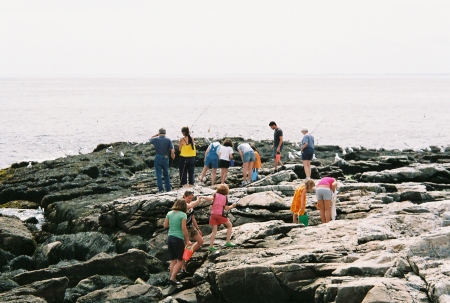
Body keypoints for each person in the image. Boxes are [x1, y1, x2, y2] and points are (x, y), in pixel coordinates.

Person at [163, 199, 192, 285]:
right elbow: (184, 228)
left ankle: (173, 278)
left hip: (170, 237)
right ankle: (172, 278)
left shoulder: (169, 213)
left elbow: (165, 225)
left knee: (173, 260)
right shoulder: (183, 215)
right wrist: (187, 240)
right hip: (178, 238)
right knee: (180, 260)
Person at [200, 184, 237, 251]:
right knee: (229, 225)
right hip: (220, 214)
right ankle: (228, 242)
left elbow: (210, 199)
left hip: (213, 214)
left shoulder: (215, 194)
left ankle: (211, 246)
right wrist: (233, 206)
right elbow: (226, 208)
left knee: (214, 231)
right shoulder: (225, 198)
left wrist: (202, 196)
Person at [180, 190, 204, 273]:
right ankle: (182, 267)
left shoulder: (191, 205)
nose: (190, 199)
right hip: (184, 227)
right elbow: (189, 206)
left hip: (191, 226)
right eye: (189, 198)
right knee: (185, 246)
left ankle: (188, 256)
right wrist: (197, 201)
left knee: (200, 241)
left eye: (191, 198)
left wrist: (197, 228)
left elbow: (192, 217)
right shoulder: (182, 203)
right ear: (184, 196)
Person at [149, 128, 175, 193]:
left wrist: (156, 135)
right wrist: (173, 155)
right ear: (165, 133)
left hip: (158, 157)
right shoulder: (168, 140)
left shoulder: (155, 139)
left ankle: (160, 189)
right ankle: (168, 189)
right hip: (165, 157)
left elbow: (150, 139)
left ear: (159, 133)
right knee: (166, 173)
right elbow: (172, 149)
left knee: (158, 174)